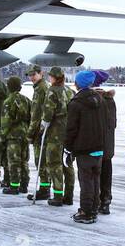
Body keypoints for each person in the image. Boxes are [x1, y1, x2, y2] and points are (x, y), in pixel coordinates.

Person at [65, 69, 108, 223]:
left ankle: (86, 211)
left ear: (78, 83)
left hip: (84, 148)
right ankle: (94, 208)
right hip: (99, 147)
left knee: (86, 181)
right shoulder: (101, 100)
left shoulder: (76, 104)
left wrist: (67, 148)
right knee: (95, 179)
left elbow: (71, 129)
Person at [40, 67, 73, 205]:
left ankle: (58, 195)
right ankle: (69, 195)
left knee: (54, 163)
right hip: (68, 130)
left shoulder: (52, 91)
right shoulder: (69, 90)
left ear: (54, 77)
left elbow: (48, 111)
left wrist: (43, 124)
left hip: (55, 132)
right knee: (67, 164)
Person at [0, 75, 32, 196]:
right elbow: (31, 117)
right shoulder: (26, 100)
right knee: (24, 161)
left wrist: (2, 136)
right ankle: (24, 185)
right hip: (24, 134)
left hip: (13, 136)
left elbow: (5, 121)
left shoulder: (8, 101)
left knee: (13, 161)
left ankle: (14, 186)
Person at [95, 70, 117, 215]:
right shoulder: (110, 100)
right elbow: (113, 123)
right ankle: (105, 202)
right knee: (106, 174)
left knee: (93, 175)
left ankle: (94, 202)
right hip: (108, 146)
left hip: (94, 145)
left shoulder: (94, 100)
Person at [28, 65, 52, 199]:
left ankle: (44, 189)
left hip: (40, 130)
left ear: (41, 74)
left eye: (34, 75)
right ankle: (46, 187)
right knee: (43, 161)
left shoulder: (40, 89)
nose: (31, 77)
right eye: (30, 75)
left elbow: (36, 114)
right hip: (45, 129)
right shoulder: (43, 87)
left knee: (40, 161)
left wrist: (31, 133)